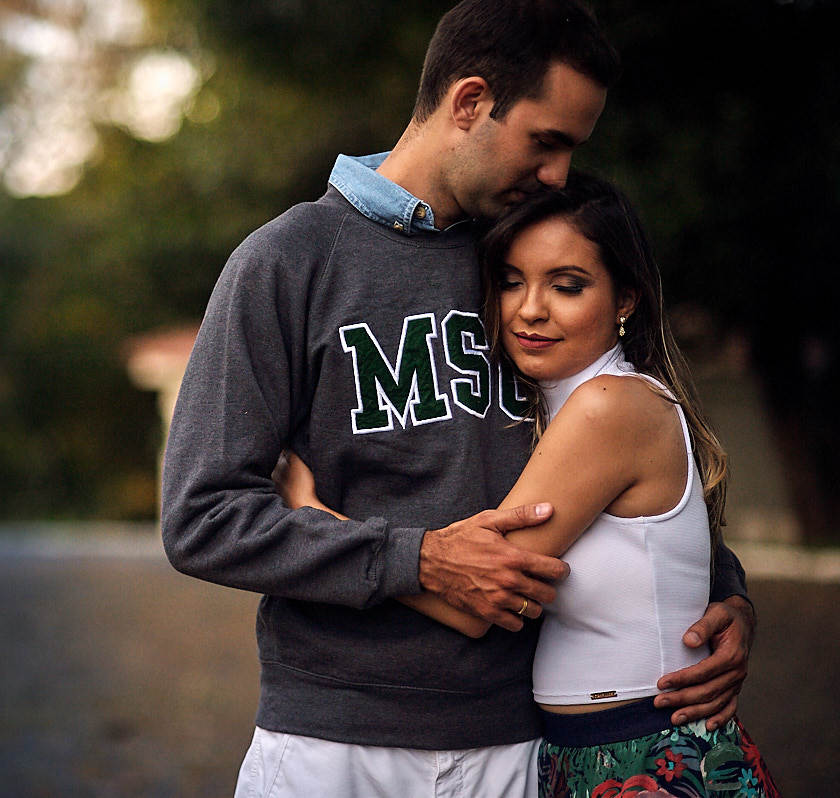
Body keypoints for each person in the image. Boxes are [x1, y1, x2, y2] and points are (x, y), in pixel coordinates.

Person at [160, 1, 755, 795]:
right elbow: (202, 516)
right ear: (470, 102)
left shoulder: (531, 260)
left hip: (517, 746)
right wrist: (418, 560)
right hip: (335, 740)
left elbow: (625, 464)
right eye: (546, 142)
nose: (558, 175)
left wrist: (726, 596)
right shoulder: (289, 261)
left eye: (572, 151)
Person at [276, 173, 780, 796]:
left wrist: (311, 511)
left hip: (648, 755)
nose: (530, 309)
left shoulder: (607, 408)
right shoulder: (554, 406)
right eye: (511, 281)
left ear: (626, 298)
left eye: (568, 286)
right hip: (579, 752)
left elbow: (477, 601)